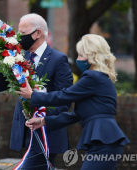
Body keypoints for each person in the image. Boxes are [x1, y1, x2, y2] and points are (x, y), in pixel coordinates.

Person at [17, 34, 130, 170]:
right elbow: (75, 115)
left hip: (103, 142)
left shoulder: (92, 77)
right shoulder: (102, 79)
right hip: (107, 141)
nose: (78, 59)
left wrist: (33, 96)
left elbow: (65, 95)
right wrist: (43, 121)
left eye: (81, 55)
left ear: (93, 57)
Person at [0, 14, 73, 169]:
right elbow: (1, 85)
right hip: (25, 128)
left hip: (46, 130)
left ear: (37, 33)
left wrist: (42, 116)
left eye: (23, 33)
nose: (19, 38)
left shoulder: (58, 59)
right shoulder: (19, 56)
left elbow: (64, 99)